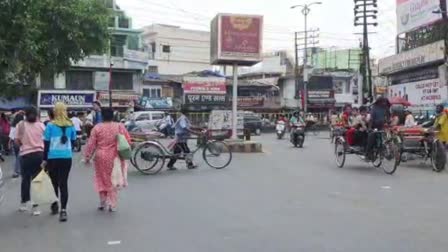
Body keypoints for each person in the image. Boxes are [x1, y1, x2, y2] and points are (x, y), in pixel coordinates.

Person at [84, 108, 131, 212]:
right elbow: (127, 140)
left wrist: (87, 157)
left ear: (102, 116)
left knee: (101, 178)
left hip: (100, 157)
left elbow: (91, 144)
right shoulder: (119, 126)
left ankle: (102, 202)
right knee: (113, 179)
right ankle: (112, 204)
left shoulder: (97, 128)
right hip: (115, 157)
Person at [42, 102, 77, 222]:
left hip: (52, 158)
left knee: (54, 183)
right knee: (64, 184)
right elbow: (73, 142)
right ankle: (64, 211)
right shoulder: (71, 124)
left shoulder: (50, 126)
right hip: (66, 158)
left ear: (55, 111)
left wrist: (44, 160)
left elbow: (46, 145)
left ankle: (55, 205)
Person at [15, 107, 45, 216]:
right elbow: (45, 140)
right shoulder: (41, 125)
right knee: (37, 181)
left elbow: (17, 140)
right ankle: (35, 207)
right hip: (39, 155)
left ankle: (23, 203)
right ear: (36, 114)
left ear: (25, 115)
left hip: (25, 155)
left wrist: (23, 145)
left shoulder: (21, 125)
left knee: (25, 180)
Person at [9, 113, 24, 178]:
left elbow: (11, 136)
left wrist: (9, 143)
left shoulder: (13, 126)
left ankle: (17, 171)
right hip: (21, 142)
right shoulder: (23, 125)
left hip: (15, 143)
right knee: (20, 157)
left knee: (17, 157)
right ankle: (18, 171)